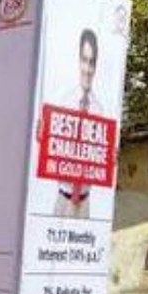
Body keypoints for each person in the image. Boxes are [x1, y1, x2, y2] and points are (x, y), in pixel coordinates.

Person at [53, 29, 102, 219]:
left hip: (86, 203)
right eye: (84, 60)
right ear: (78, 61)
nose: (87, 69)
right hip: (63, 201)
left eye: (92, 62)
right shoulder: (63, 102)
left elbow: (98, 157)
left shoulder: (99, 110)